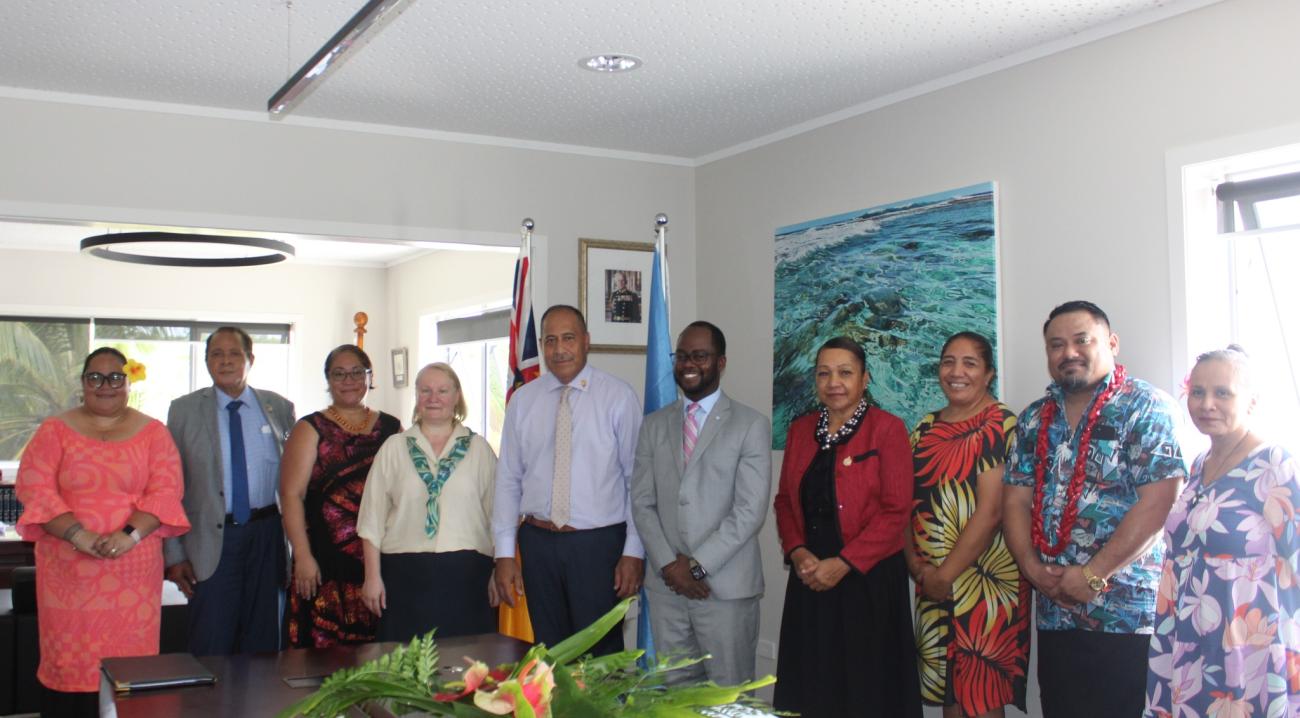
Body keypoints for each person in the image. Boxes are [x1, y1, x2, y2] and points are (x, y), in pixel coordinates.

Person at [1002, 300, 1186, 718]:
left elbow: (1161, 502)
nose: (1068, 352)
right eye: (1056, 344)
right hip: (1054, 611)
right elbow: (1014, 499)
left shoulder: (1146, 408)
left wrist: (1093, 576)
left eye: (1082, 340)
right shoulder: (1034, 419)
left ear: (1112, 343)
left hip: (1125, 614)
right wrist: (1031, 569)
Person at [16, 348, 189, 717]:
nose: (105, 386)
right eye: (95, 377)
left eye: (115, 378)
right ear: (83, 383)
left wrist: (128, 535)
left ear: (128, 383)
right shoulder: (54, 431)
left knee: (129, 670)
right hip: (68, 575)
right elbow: (35, 489)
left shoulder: (153, 433)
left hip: (132, 573)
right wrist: (79, 535)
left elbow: (166, 490)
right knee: (69, 664)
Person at [1144, 347, 1300, 716]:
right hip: (1187, 639)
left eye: (1222, 393)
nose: (1206, 403)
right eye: (1197, 392)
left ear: (1251, 400)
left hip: (1247, 648)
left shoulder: (1274, 464)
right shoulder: (1200, 464)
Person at [772, 336, 921, 717]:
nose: (833, 382)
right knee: (813, 685)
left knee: (867, 690)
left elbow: (895, 511)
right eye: (824, 373)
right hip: (811, 579)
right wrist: (798, 552)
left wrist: (843, 563)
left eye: (844, 373)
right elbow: (785, 501)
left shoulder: (887, 429)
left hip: (868, 582)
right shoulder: (800, 429)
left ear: (865, 378)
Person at [491, 304, 645, 655]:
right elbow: (508, 478)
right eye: (550, 340)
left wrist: (634, 551)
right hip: (538, 545)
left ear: (586, 342)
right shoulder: (523, 401)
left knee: (601, 657)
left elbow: (637, 480)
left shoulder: (618, 397)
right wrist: (504, 554)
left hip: (598, 547)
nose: (559, 349)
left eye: (569, 338)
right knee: (550, 656)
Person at [630, 321, 772, 686]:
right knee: (677, 699)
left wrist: (695, 568)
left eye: (700, 356)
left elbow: (749, 511)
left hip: (725, 591)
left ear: (721, 363)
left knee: (730, 698)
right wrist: (668, 567)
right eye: (682, 356)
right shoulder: (653, 425)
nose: (688, 363)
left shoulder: (750, 425)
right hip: (667, 590)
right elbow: (642, 502)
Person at [903, 331, 1031, 718]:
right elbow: (902, 502)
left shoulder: (1000, 423)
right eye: (948, 362)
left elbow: (992, 512)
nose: (956, 372)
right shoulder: (924, 427)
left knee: (980, 696)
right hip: (931, 582)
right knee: (950, 698)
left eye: (970, 363)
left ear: (989, 373)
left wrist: (944, 574)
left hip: (986, 585)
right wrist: (916, 566)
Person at [164, 326, 296, 655]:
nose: (225, 361)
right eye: (216, 354)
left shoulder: (279, 407)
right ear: (207, 361)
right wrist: (175, 555)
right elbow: (167, 487)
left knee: (265, 642)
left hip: (267, 536)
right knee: (211, 641)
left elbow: (295, 479)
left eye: (234, 353)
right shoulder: (183, 410)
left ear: (250, 359)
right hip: (210, 541)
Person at [357, 362, 498, 642]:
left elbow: (498, 517)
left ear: (456, 396)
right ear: (417, 397)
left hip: (467, 576)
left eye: (443, 390)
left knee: (466, 669)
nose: (434, 398)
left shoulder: (479, 449)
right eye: (425, 391)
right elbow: (371, 519)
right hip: (405, 575)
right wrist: (372, 578)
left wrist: (498, 569)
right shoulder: (393, 448)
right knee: (404, 669)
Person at [281, 344, 401, 648]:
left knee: (380, 657)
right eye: (339, 374)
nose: (348, 380)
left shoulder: (392, 427)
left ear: (369, 377)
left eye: (356, 372)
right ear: (328, 380)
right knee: (321, 660)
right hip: (324, 561)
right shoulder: (310, 428)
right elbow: (291, 495)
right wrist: (303, 557)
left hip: (381, 558)